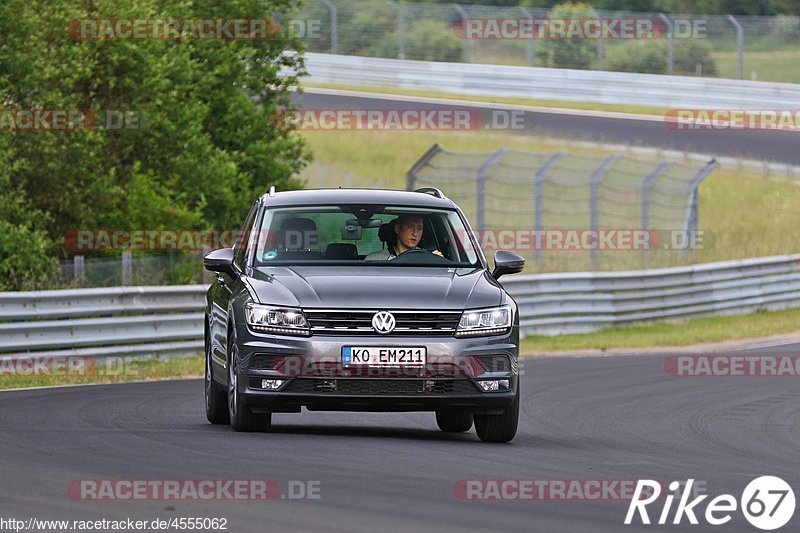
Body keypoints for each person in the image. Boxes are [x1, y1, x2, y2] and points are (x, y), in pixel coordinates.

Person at [365, 214, 442, 260]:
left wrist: (435, 260)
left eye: (419, 228)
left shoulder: (429, 258)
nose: (415, 233)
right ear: (397, 229)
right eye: (410, 227)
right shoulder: (376, 259)